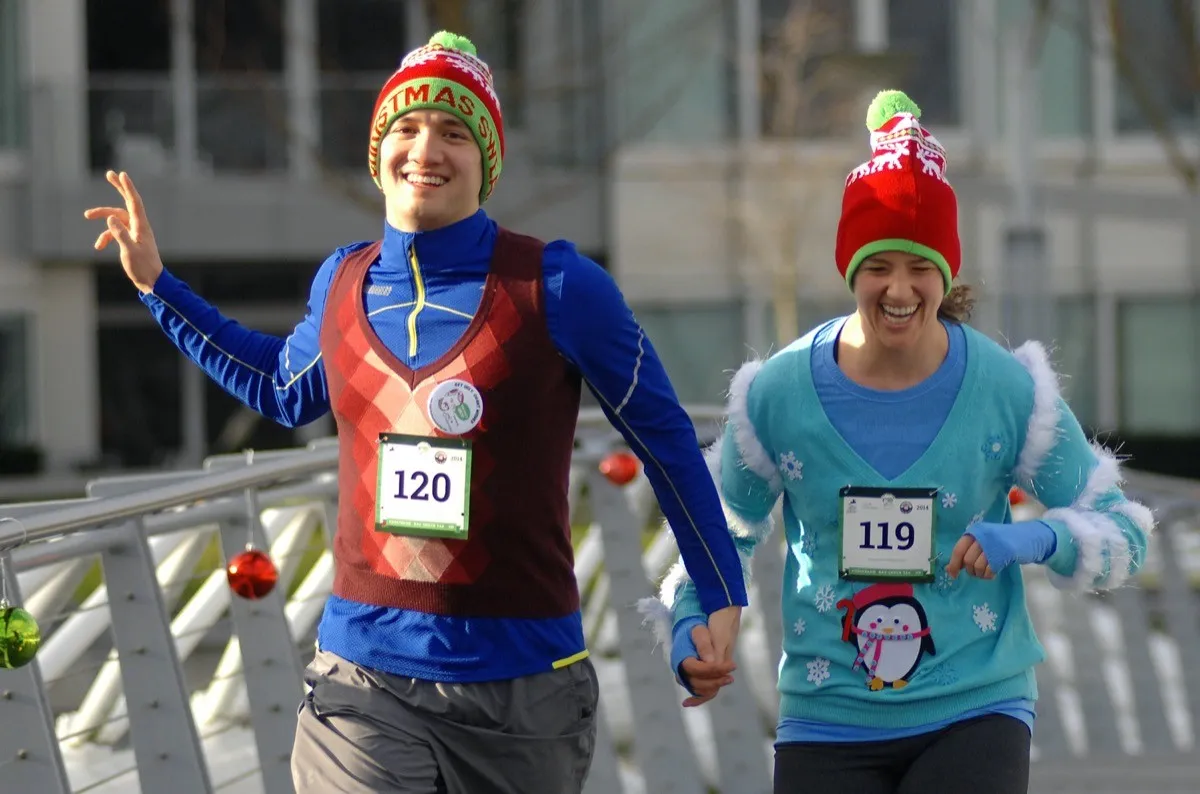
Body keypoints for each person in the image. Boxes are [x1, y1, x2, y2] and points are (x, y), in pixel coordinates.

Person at [84, 30, 748, 794]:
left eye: (455, 132)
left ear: (486, 164)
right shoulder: (342, 281)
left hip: (526, 692)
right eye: (405, 127)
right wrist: (157, 286)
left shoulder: (558, 286)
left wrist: (720, 590)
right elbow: (280, 386)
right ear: (378, 154)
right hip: (362, 681)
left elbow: (662, 439)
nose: (426, 147)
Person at [642, 90, 1155, 793]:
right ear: (851, 270)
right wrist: (689, 628)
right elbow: (720, 532)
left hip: (976, 708)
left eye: (921, 268)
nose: (900, 289)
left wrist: (1034, 540)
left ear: (946, 275)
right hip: (827, 718)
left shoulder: (1007, 389)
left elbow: (1126, 533)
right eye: (879, 265)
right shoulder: (779, 393)